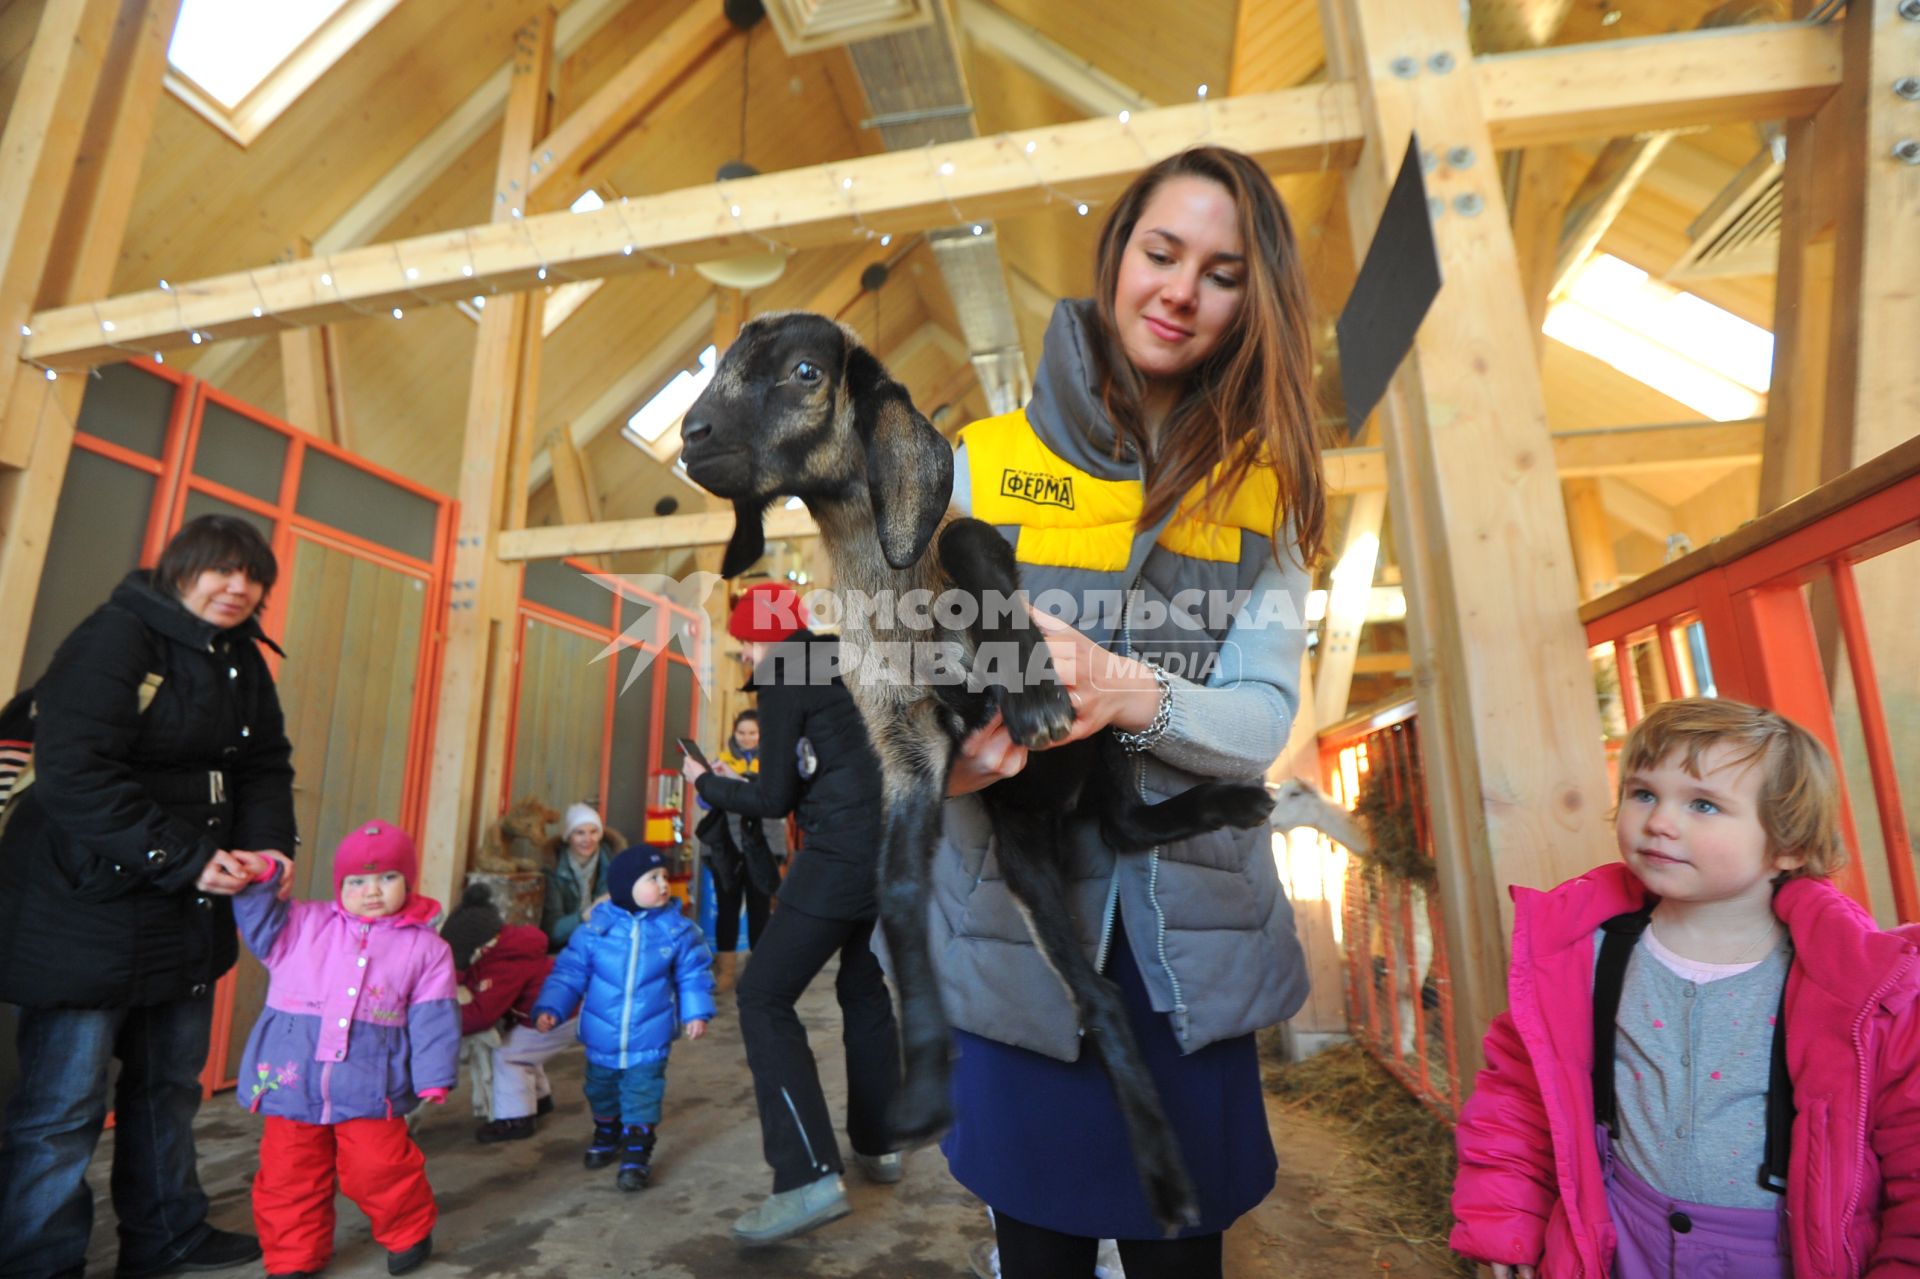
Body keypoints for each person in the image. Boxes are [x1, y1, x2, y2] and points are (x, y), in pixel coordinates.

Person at [929, 146, 1324, 1279]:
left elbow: (1260, 721)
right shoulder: (983, 468)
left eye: (1222, 272)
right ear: (1117, 258)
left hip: (1182, 957)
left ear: (1256, 301)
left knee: (1177, 1258)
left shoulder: (1265, 492)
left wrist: (1129, 693)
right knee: (1038, 1250)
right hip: (1019, 937)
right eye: (1161, 252)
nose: (1181, 291)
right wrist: (947, 753)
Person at [1451, 698, 1920, 1278]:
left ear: (1788, 847)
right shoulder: (1585, 953)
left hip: (1779, 1253)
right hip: (1620, 1237)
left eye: (1703, 804)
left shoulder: (1855, 987)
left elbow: (1911, 1143)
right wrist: (1508, 1225)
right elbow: (1519, 1098)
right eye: (1644, 793)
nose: (1660, 822)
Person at [0, 514, 299, 1279]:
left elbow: (264, 763)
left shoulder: (238, 658)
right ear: (178, 570)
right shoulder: (115, 637)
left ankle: (168, 1233)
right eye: (222, 570)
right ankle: (38, 1259)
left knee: (167, 1085)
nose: (239, 587)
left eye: (253, 575)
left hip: (181, 904)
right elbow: (75, 774)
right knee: (63, 1107)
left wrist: (269, 847)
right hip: (84, 906)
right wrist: (185, 855)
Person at [684, 582, 903, 1247]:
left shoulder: (783, 670)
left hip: (838, 855)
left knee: (762, 994)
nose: (745, 654)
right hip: (894, 852)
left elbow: (778, 796)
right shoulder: (838, 660)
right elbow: (827, 769)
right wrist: (739, 779)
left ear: (761, 635)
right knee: (863, 987)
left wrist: (706, 784)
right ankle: (879, 1142)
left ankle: (806, 1174)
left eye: (745, 641)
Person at [230, 820, 457, 1278]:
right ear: (340, 885)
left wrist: (434, 1076)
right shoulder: (301, 924)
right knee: (287, 1176)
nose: (371, 891)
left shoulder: (427, 948)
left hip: (370, 1085)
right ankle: (292, 1258)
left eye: (387, 877)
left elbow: (434, 1017)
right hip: (293, 1079)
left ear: (408, 880)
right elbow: (256, 914)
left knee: (380, 1169)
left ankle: (408, 1228)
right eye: (357, 881)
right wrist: (263, 874)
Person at [531, 845, 714, 1192]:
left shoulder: (677, 931)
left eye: (664, 877)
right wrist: (551, 1008)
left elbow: (694, 975)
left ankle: (635, 1158)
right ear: (625, 886)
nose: (664, 885)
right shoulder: (594, 932)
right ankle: (607, 1132)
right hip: (602, 1037)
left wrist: (696, 1012)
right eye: (653, 878)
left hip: (650, 1038)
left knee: (642, 1095)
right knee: (600, 1091)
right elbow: (568, 974)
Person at [439, 885, 567, 1143]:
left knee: (509, 1056)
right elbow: (473, 970)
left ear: (482, 948)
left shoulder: (505, 965)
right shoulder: (505, 945)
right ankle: (539, 1099)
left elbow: (483, 1014)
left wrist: (443, 1020)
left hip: (559, 1017)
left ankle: (516, 1119)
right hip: (554, 1011)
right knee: (525, 1049)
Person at [696, 709, 782, 991]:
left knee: (760, 910)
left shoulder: (773, 763)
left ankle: (757, 973)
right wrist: (710, 783)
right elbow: (704, 803)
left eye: (752, 733)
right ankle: (725, 973)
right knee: (727, 909)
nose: (746, 738)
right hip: (726, 846)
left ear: (761, 734)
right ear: (734, 733)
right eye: (741, 733)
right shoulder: (720, 762)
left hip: (761, 845)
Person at [542, 803, 616, 952]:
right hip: (565, 948)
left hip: (603, 945)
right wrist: (586, 915)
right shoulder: (552, 869)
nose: (587, 839)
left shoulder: (613, 864)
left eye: (593, 832)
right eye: (580, 833)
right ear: (569, 836)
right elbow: (553, 933)